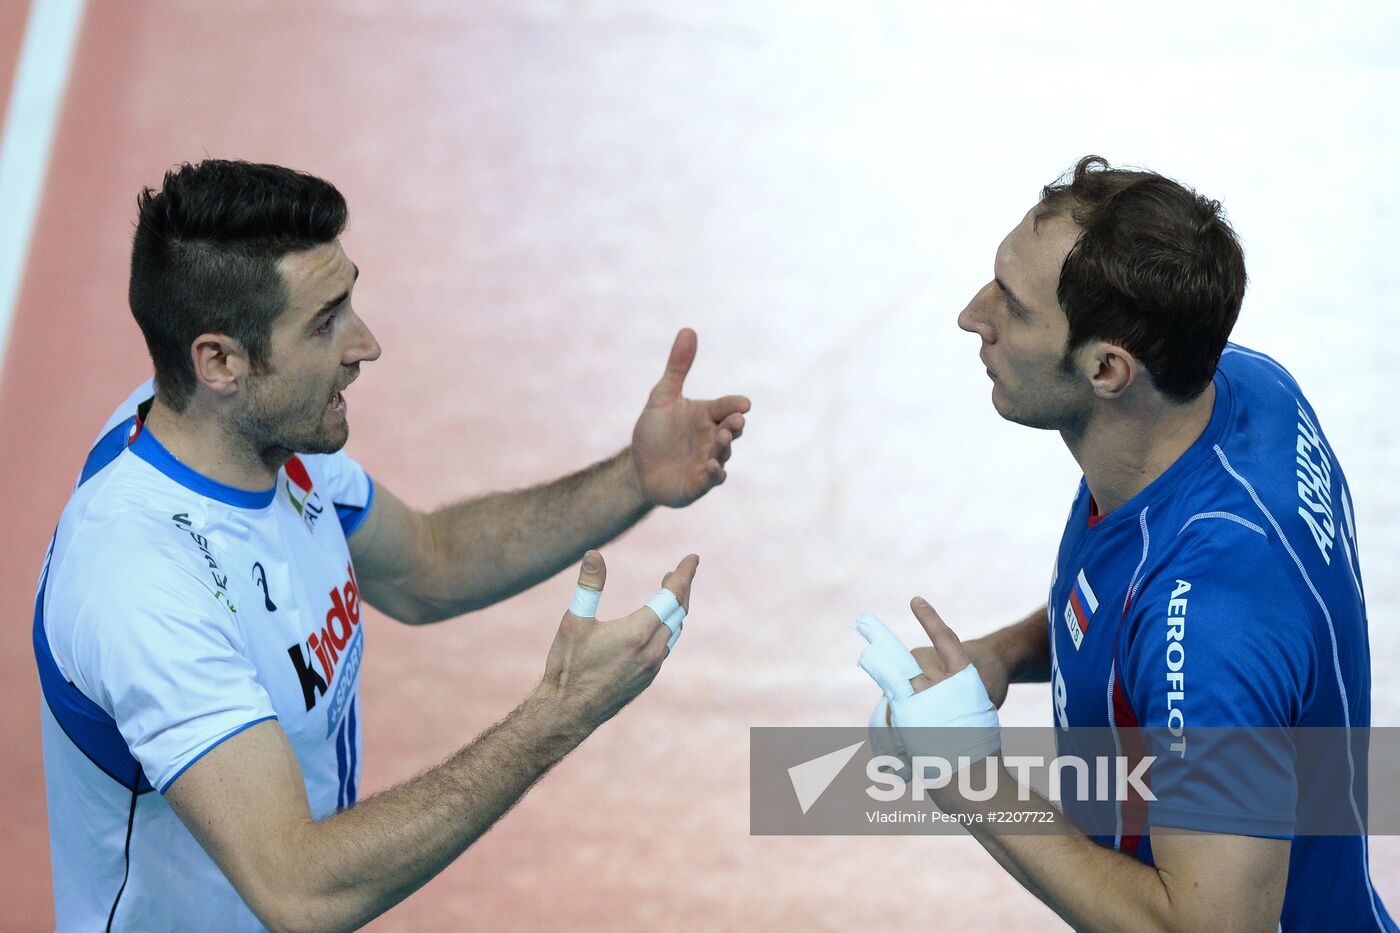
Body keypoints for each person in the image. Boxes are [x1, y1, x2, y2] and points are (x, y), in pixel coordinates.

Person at [34, 159, 750, 931]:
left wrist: (632, 478)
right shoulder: (141, 583)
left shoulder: (263, 439)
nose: (365, 344)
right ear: (218, 362)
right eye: (324, 323)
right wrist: (561, 711)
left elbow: (428, 563)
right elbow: (299, 888)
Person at [856, 156, 1394, 931]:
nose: (973, 316)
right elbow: (1139, 592)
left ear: (1109, 369)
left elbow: (1204, 926)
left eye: (1013, 306)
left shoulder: (1213, 620)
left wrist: (969, 775)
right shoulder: (1240, 392)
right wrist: (1005, 654)